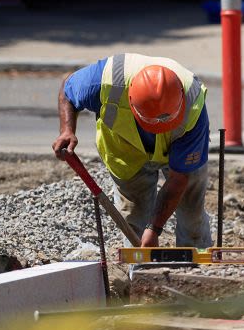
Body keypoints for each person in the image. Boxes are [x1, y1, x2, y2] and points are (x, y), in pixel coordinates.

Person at [52, 53, 211, 248]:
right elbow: (68, 89)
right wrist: (67, 130)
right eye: (153, 122)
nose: (161, 128)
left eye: (167, 121)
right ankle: (138, 270)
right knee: (134, 217)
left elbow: (179, 179)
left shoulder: (193, 105)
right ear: (131, 102)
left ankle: (196, 263)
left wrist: (154, 228)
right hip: (125, 152)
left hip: (179, 148)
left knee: (191, 209)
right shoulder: (101, 83)